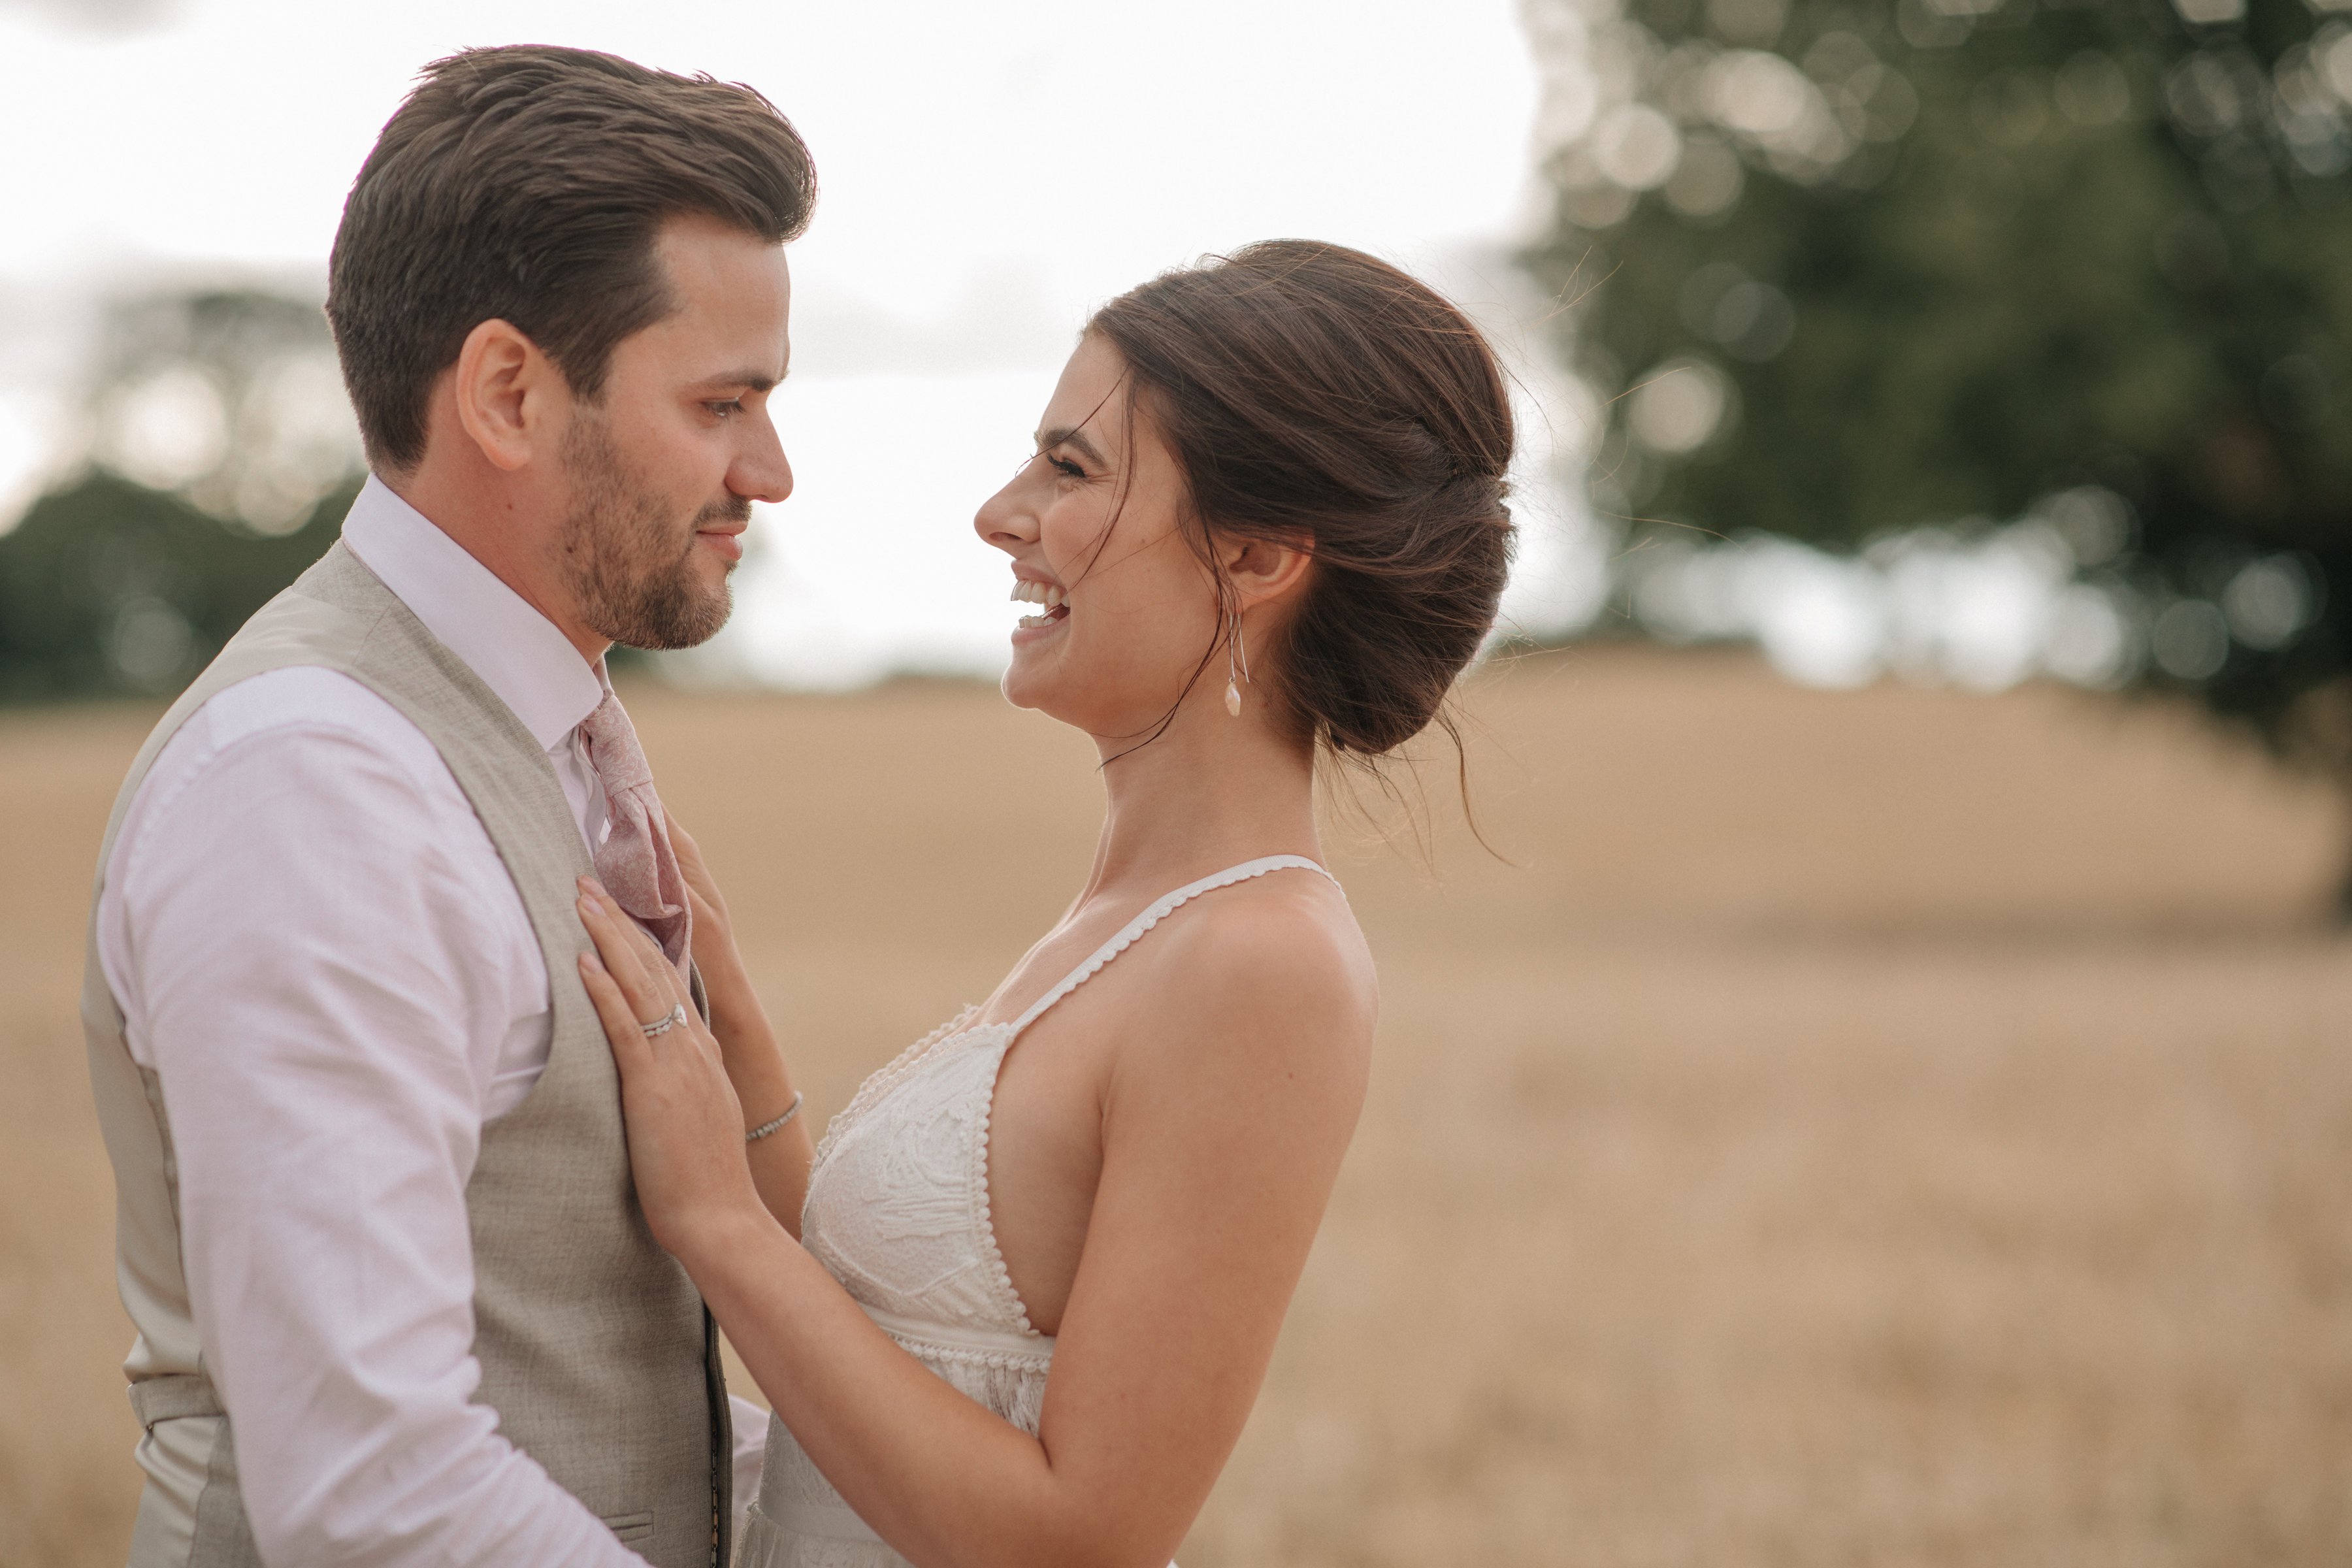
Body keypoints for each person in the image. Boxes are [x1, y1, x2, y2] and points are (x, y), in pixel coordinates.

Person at [573, 239, 1518, 1568]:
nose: (1000, 514)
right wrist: (728, 1032)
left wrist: (717, 1228)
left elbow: (1082, 1538)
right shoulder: (1137, 915)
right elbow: (896, 1357)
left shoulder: (1260, 962)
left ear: (1253, 559)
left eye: (1070, 468)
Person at [81, 46, 813, 1567]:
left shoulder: (517, 725)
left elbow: (569, 1379)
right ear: (507, 393)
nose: (772, 470)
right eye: (722, 402)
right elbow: (370, 1493)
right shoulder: (312, 785)